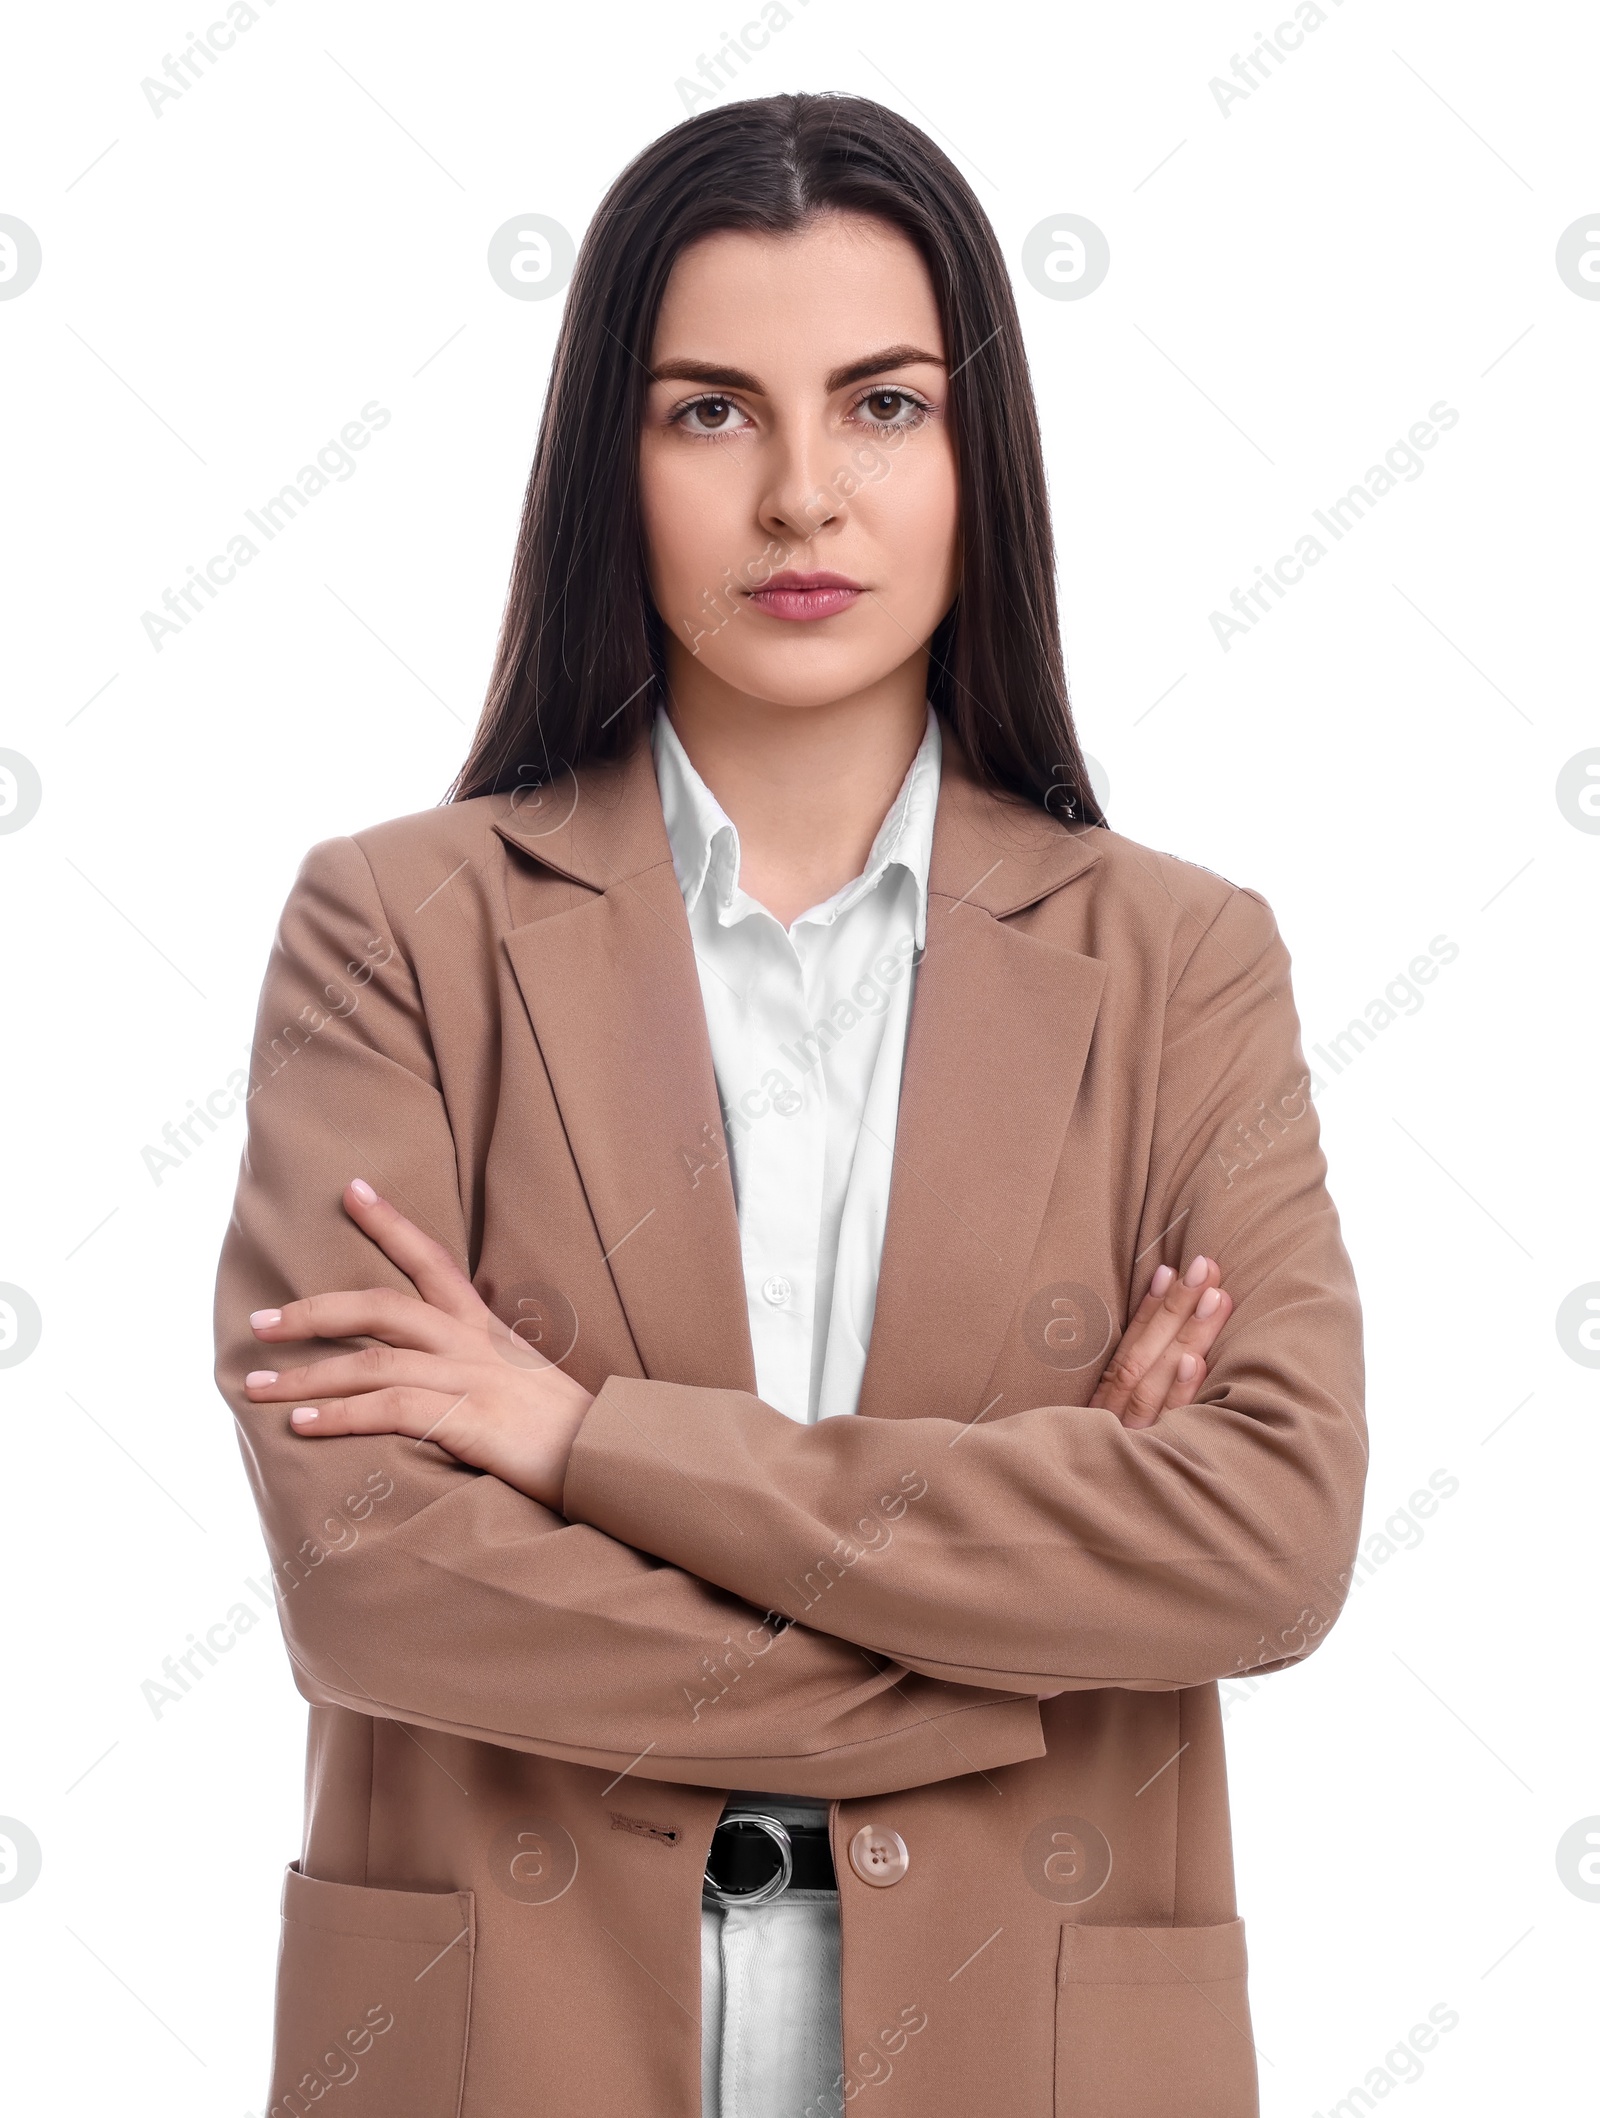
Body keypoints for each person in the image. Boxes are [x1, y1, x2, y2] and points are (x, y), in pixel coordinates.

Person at [214, 91, 1366, 2118]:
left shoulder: (1185, 959)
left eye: (883, 405)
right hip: (510, 2032)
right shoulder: (394, 929)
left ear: (972, 453)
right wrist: (1013, 1616)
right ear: (610, 462)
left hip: (1035, 2031)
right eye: (710, 412)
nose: (803, 498)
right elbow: (375, 1577)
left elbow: (1264, 1542)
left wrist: (581, 1444)